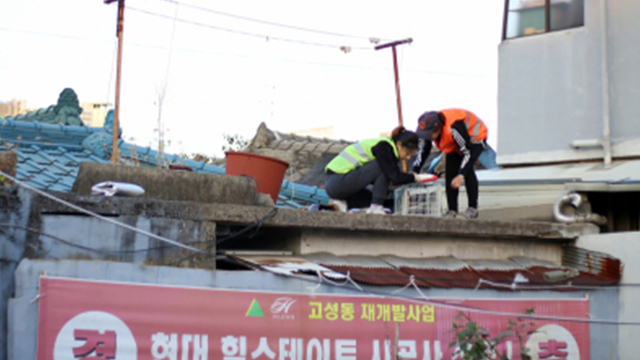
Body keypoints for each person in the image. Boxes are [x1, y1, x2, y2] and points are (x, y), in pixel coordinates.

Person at [325, 127, 425, 214]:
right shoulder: (384, 147)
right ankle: (376, 208)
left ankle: (343, 203)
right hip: (337, 181)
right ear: (398, 144)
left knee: (370, 198)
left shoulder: (386, 148)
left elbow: (375, 178)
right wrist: (415, 178)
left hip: (335, 184)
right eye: (407, 153)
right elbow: (395, 177)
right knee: (383, 167)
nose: (408, 157)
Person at [413, 109, 488, 219]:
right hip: (454, 143)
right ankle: (452, 210)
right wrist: (415, 171)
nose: (427, 137)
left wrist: (461, 175)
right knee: (450, 173)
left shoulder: (453, 128)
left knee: (467, 170)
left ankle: (472, 208)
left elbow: (467, 152)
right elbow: (423, 151)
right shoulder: (430, 132)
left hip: (474, 139)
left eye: (429, 134)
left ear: (438, 128)